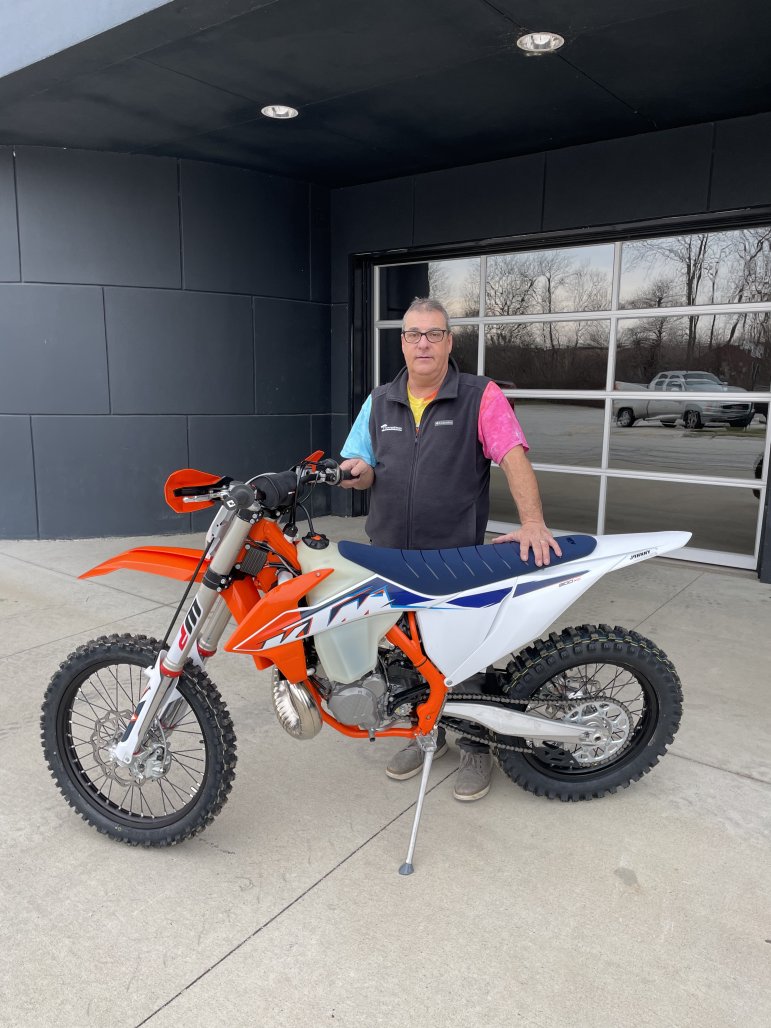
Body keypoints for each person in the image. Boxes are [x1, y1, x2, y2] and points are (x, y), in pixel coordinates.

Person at [339, 297, 561, 801]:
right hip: (390, 554)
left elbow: (512, 456)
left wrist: (532, 522)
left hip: (454, 558)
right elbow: (362, 464)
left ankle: (477, 745)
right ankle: (426, 735)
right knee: (404, 652)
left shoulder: (480, 396)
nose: (423, 343)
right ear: (402, 343)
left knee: (463, 655)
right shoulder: (380, 401)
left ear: (448, 342)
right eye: (414, 334)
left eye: (433, 334)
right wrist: (355, 474)